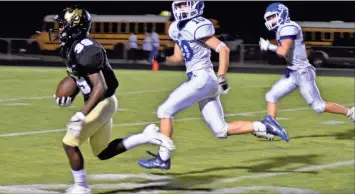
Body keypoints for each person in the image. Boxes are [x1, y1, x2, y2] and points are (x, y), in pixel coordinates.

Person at [137, 0, 289, 171]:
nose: (182, 9)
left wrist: (221, 76)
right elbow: (178, 59)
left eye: (185, 5)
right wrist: (162, 59)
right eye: (180, 6)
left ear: (195, 6)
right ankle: (265, 125)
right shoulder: (175, 27)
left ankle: (163, 159)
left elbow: (223, 49)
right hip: (201, 81)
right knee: (221, 129)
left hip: (202, 79)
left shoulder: (198, 25)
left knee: (164, 111)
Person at [50, 6, 175, 193]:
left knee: (69, 143)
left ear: (74, 26)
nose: (59, 29)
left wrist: (81, 114)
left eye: (62, 25)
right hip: (101, 102)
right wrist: (72, 93)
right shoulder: (71, 47)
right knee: (102, 152)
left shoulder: (86, 49)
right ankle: (145, 136)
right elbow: (80, 76)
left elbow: (100, 86)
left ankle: (81, 188)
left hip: (103, 102)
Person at [253, 2, 355, 140]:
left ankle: (350, 113)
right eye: (269, 18)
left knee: (318, 106)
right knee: (271, 96)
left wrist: (268, 46)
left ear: (282, 14)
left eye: (273, 17)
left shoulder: (289, 27)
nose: (271, 21)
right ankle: (271, 129)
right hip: (293, 72)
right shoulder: (282, 28)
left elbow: (283, 51)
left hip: (303, 73)